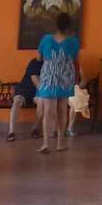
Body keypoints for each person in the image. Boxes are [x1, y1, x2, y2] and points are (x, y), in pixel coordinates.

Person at [36, 13, 80, 154]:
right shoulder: (74, 42)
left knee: (48, 110)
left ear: (56, 25)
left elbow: (39, 57)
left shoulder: (46, 39)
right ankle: (61, 142)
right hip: (65, 77)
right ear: (68, 26)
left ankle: (45, 143)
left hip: (49, 77)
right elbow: (75, 60)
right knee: (62, 109)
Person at [5, 56, 44, 142]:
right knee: (17, 102)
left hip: (37, 92)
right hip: (24, 89)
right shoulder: (34, 62)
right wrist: (47, 92)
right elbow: (35, 79)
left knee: (42, 102)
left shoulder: (51, 63)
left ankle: (35, 129)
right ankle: (11, 132)